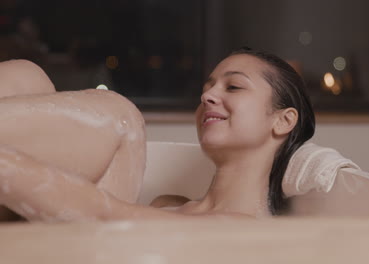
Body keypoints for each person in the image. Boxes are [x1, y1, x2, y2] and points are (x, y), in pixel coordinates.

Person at [0, 47, 315, 222]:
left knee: (121, 118)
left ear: (283, 121)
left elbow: (102, 215)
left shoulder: (247, 228)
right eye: (207, 87)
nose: (207, 97)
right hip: (70, 235)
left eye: (233, 86)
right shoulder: (169, 203)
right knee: (27, 77)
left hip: (91, 236)